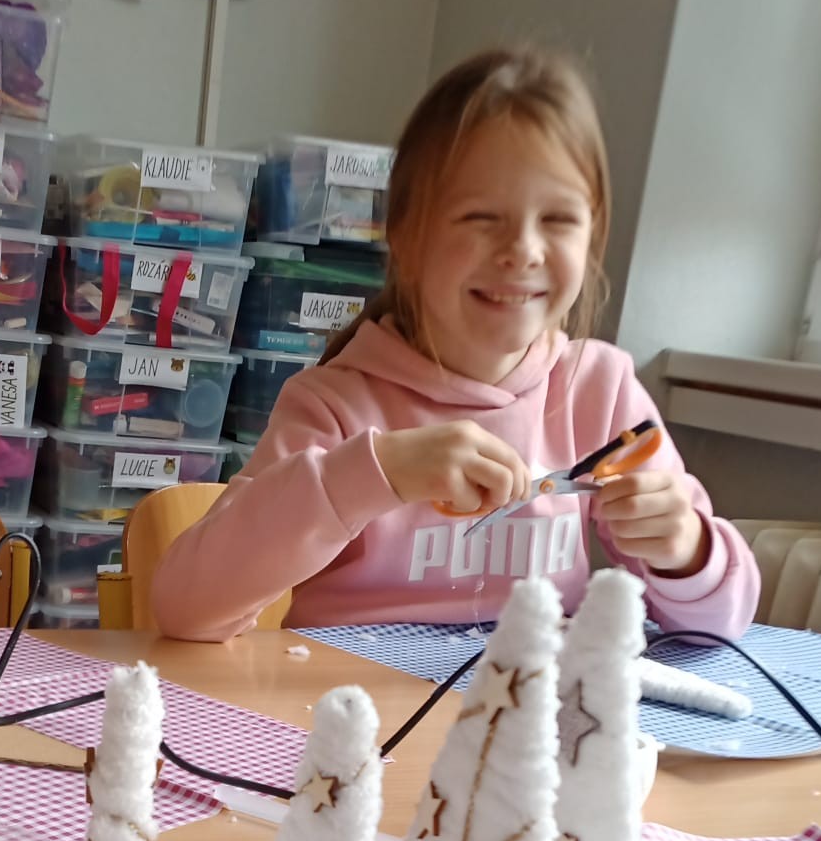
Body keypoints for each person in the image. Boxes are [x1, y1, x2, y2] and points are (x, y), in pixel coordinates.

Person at [152, 48, 760, 642]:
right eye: (480, 218)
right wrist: (375, 474)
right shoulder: (333, 405)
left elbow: (720, 623)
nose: (523, 250)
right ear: (406, 237)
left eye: (558, 220)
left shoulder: (599, 391)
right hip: (361, 705)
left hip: (536, 703)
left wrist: (688, 549)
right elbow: (184, 607)